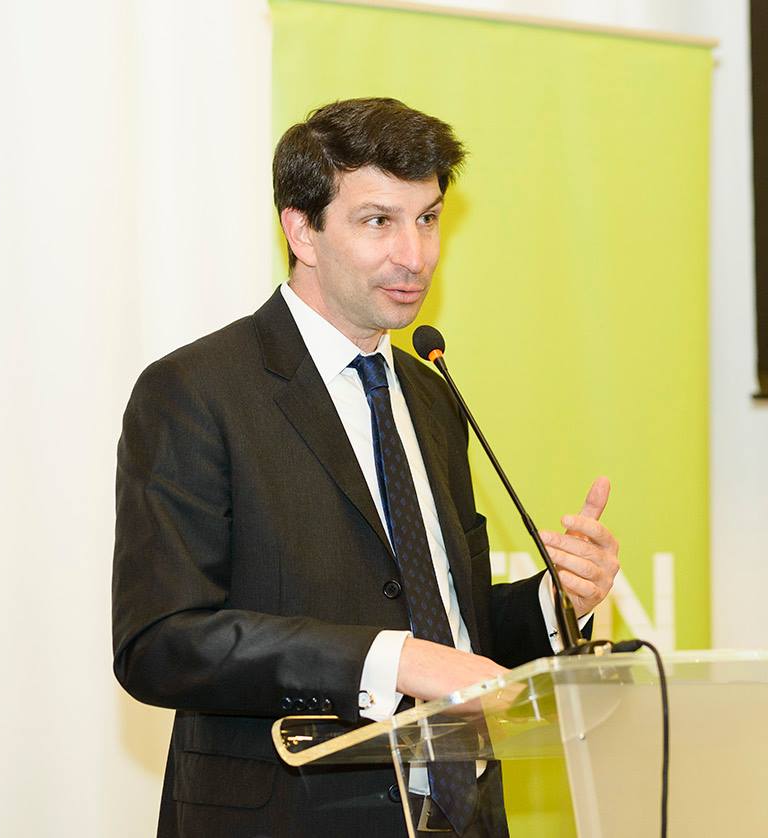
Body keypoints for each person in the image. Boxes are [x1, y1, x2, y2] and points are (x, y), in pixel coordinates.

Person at [112, 97, 620, 838]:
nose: (415, 255)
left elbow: (449, 623)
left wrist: (555, 602)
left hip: (463, 815)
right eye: (379, 221)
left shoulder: (431, 394)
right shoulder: (197, 391)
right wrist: (391, 661)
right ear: (302, 231)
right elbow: (161, 643)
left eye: (428, 218)